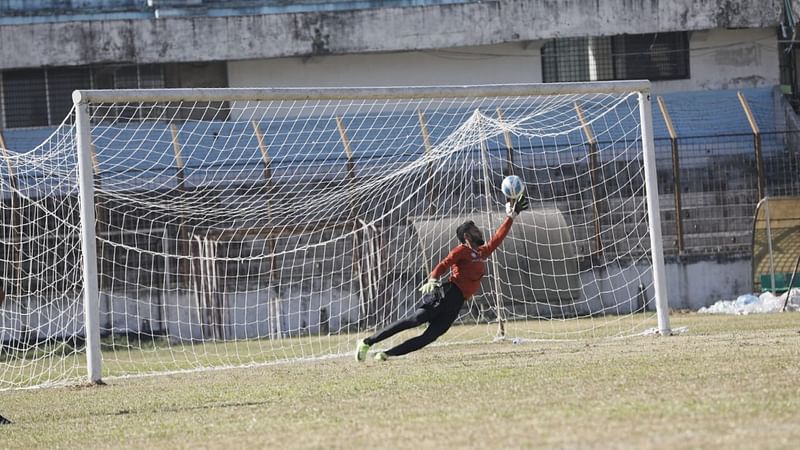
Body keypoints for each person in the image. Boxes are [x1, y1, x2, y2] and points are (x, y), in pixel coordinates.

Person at [355, 194, 529, 361]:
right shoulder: (462, 250)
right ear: (467, 236)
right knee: (414, 320)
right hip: (447, 294)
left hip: (457, 302)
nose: (480, 232)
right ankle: (366, 342)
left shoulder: (482, 252)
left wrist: (511, 216)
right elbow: (444, 264)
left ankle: (386, 354)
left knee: (429, 337)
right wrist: (433, 278)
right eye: (475, 230)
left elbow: (498, 237)